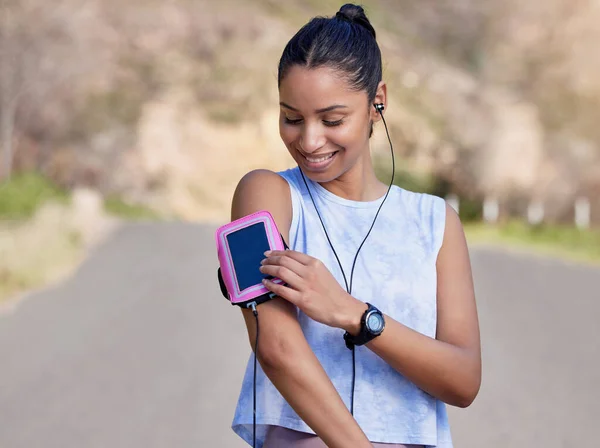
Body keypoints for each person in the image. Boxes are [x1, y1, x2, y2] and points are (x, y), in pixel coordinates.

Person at [229, 4, 481, 447]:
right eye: (291, 118)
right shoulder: (263, 196)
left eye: (332, 120)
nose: (308, 141)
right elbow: (276, 347)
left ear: (377, 100)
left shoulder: (436, 222)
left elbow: (463, 381)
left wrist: (355, 315)